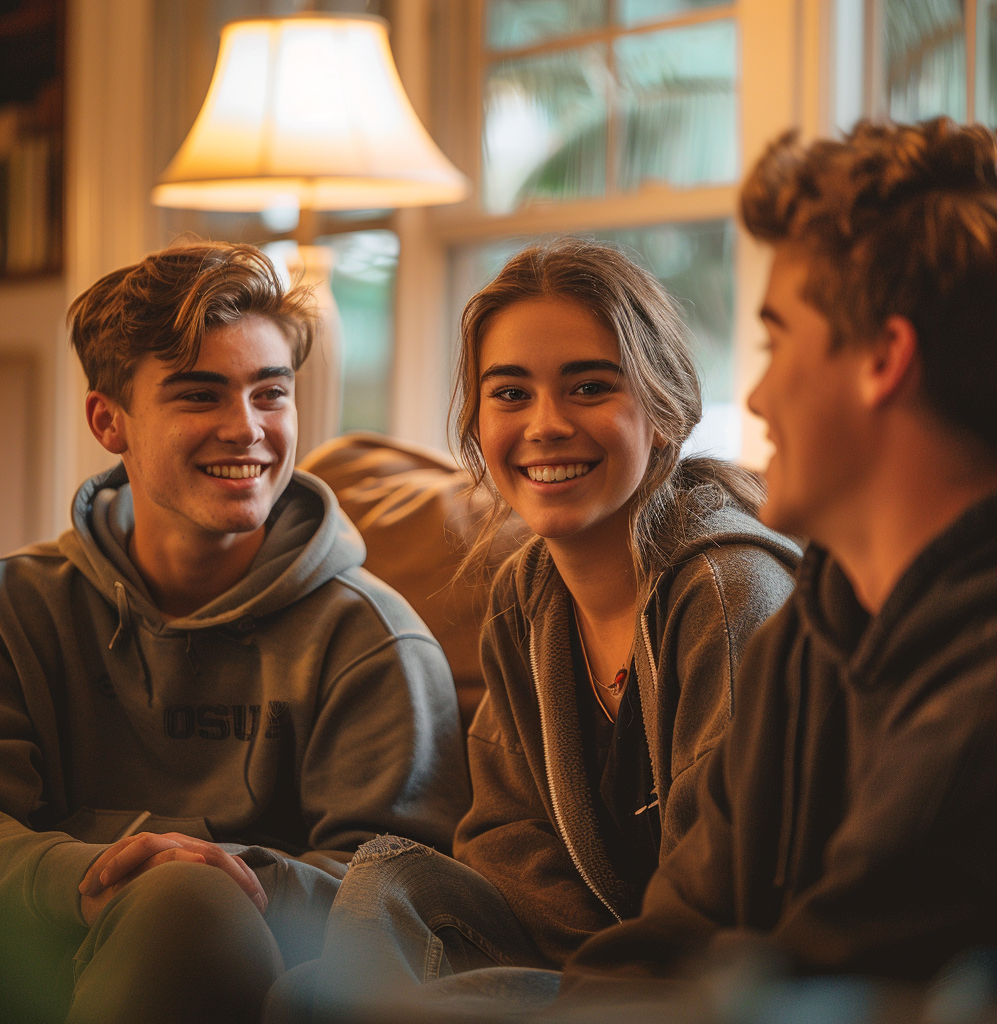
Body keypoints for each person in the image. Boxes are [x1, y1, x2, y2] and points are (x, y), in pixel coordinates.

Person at [265, 238, 801, 1018]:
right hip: (580, 960)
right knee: (361, 915)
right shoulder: (526, 596)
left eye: (589, 387)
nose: (545, 425)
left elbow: (729, 885)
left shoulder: (726, 591)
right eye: (510, 394)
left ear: (664, 412)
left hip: (712, 978)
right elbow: (503, 843)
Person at [560, 117, 997, 993]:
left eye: (777, 340)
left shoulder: (995, 710)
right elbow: (675, 934)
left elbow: (797, 997)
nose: (762, 394)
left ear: (884, 359)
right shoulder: (812, 638)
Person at [0, 241, 469, 1024]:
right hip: (37, 951)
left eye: (270, 393)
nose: (246, 429)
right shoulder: (17, 608)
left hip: (259, 971)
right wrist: (88, 875)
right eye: (199, 395)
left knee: (186, 900)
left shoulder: (373, 637)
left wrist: (212, 877)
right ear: (108, 420)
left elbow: (408, 890)